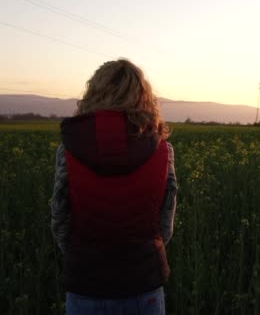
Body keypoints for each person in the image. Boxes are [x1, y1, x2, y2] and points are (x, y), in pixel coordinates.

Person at [50, 58, 178, 315]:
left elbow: (60, 218)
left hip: (86, 284)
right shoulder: (163, 150)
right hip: (144, 284)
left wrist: (82, 258)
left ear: (93, 93)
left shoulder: (70, 149)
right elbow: (166, 220)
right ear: (144, 97)